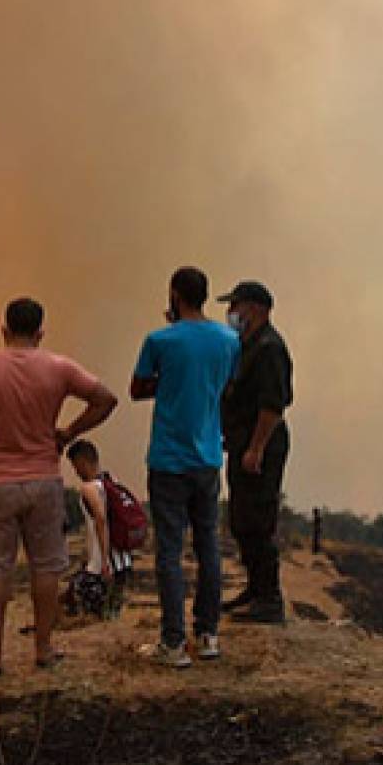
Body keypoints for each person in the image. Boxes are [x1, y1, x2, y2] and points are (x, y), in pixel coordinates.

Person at [0, 296, 119, 673]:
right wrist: (68, 433)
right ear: (40, 332)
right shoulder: (59, 368)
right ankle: (43, 649)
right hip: (45, 480)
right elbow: (106, 399)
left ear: (4, 329)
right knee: (46, 568)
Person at [131, 266, 239, 667]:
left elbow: (137, 388)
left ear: (175, 295)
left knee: (170, 552)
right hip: (209, 458)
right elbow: (227, 385)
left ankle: (173, 643)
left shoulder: (159, 340)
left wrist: (171, 377)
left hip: (168, 460)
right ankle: (208, 635)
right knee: (209, 547)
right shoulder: (229, 341)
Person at [217, 279, 294, 624]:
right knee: (241, 519)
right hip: (241, 443)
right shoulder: (245, 346)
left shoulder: (269, 348)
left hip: (260, 445)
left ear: (256, 309)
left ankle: (269, 599)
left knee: (258, 520)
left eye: (236, 305)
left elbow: (272, 406)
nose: (231, 313)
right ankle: (255, 588)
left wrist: (256, 448)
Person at [65, 439, 133, 619]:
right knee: (111, 612)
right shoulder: (111, 482)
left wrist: (103, 561)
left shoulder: (89, 488)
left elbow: (101, 520)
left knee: (76, 605)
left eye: (75, 466)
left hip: (102, 565)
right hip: (122, 561)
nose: (76, 472)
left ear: (82, 462)